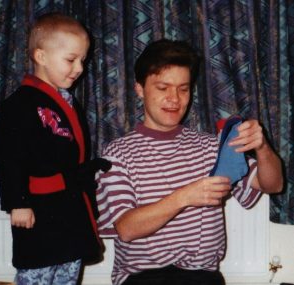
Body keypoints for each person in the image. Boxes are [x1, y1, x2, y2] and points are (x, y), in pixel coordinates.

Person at [96, 39, 283, 285]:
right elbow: (126, 228)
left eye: (183, 89)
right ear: (139, 89)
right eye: (163, 87)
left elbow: (273, 184)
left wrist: (262, 147)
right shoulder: (116, 153)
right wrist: (184, 196)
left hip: (203, 278)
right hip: (144, 279)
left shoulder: (211, 147)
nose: (175, 99)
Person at [0, 12, 110, 285]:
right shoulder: (20, 104)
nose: (79, 68)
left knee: (68, 271)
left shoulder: (67, 101)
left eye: (82, 60)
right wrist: (17, 203)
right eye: (71, 60)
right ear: (41, 56)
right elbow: (10, 157)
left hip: (69, 208)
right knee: (37, 272)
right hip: (38, 208)